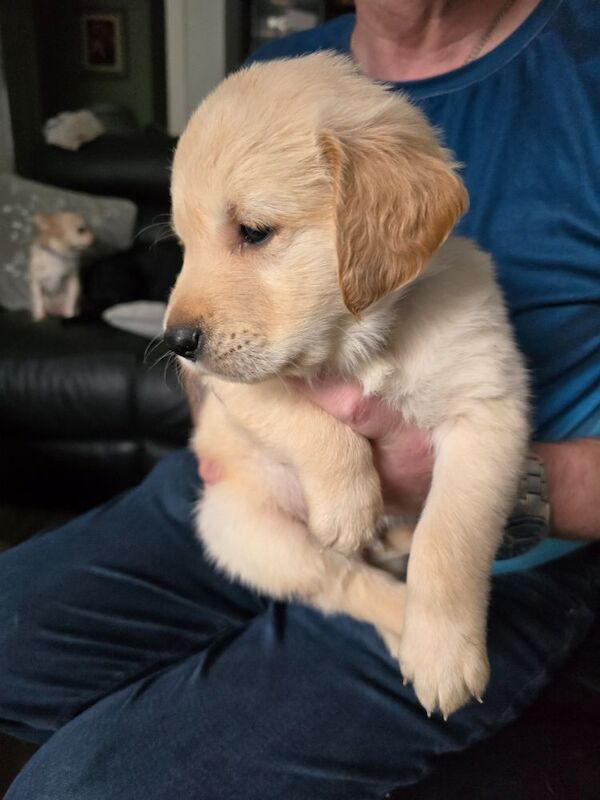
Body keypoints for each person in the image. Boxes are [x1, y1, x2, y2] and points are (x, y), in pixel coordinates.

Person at [1, 1, 599, 797]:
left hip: (506, 548)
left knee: (73, 788)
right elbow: (204, 355)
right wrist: (266, 434)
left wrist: (440, 485)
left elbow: (472, 420)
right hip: (251, 488)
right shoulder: (274, 80)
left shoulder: (580, 69)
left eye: (256, 231)